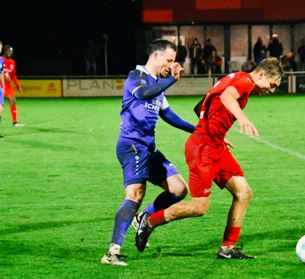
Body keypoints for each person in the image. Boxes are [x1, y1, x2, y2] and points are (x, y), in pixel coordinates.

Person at [135, 57, 284, 259]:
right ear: (262, 74)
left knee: (243, 193)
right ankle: (149, 221)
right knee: (199, 207)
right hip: (203, 148)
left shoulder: (235, 78)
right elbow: (227, 97)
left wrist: (215, 130)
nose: (271, 90)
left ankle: (228, 248)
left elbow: (201, 107)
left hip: (215, 145)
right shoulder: (246, 81)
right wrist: (242, 119)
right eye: (272, 85)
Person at [101, 39, 196, 266]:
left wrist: (198, 130)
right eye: (169, 60)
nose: (171, 66)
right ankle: (112, 252)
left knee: (179, 189)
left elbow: (169, 116)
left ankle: (143, 218)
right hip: (131, 145)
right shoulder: (137, 77)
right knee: (135, 194)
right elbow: (144, 94)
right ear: (155, 56)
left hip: (149, 149)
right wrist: (171, 80)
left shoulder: (157, 85)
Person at [2, 45, 24, 127]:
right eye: (8, 51)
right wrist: (4, 76)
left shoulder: (12, 62)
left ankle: (15, 122)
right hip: (0, 85)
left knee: (13, 100)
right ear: (5, 51)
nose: (10, 53)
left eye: (11, 51)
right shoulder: (1, 60)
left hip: (8, 86)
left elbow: (13, 76)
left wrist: (18, 86)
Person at [0, 41, 5, 133]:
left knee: (1, 109)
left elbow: (1, 73)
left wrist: (3, 86)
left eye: (0, 48)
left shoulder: (1, 60)